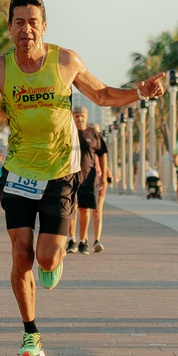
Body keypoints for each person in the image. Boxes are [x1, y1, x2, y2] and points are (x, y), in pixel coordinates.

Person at [0, 0, 165, 356]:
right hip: (18, 172)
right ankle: (30, 333)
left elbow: (101, 95)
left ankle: (55, 259)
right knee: (21, 256)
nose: (26, 29)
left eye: (33, 22)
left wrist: (138, 93)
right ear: (9, 28)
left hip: (60, 174)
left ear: (44, 27)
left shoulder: (66, 61)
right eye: (19, 22)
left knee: (47, 258)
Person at [69, 103, 109, 254]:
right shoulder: (68, 132)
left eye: (82, 116)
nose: (79, 119)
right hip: (69, 177)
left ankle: (83, 240)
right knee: (71, 208)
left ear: (87, 117)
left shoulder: (93, 134)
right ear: (72, 117)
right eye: (76, 116)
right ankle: (71, 239)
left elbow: (102, 154)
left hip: (88, 178)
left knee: (84, 209)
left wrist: (104, 176)